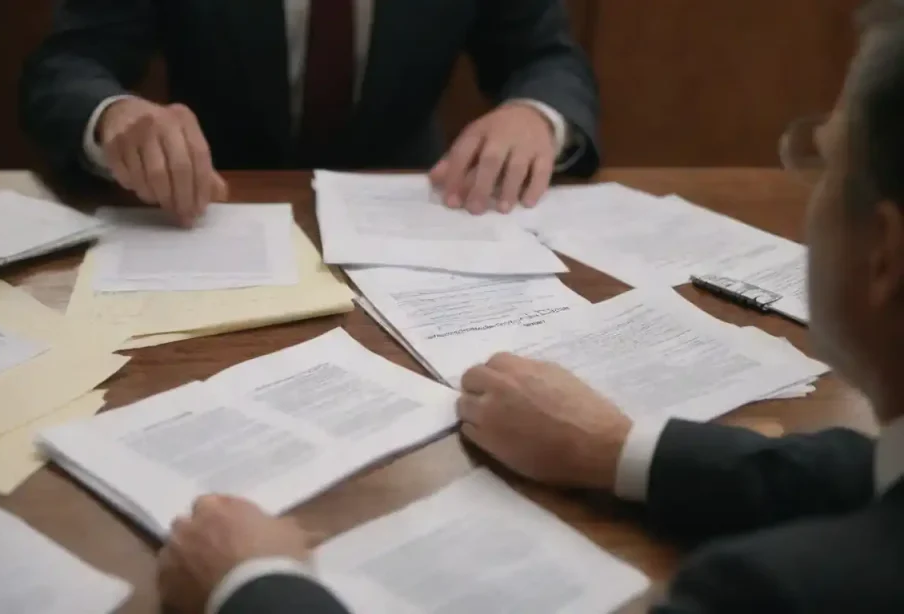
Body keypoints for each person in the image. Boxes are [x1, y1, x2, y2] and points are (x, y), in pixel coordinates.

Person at [154, 2, 904, 612]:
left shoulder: (763, 593)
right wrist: (616, 450)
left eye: (823, 161)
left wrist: (254, 590)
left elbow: (547, 54)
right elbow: (862, 471)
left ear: (885, 255)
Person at [20, 0, 598, 227]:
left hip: (418, 211)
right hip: (207, 208)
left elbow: (546, 58)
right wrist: (113, 117)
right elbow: (69, 64)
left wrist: (535, 114)